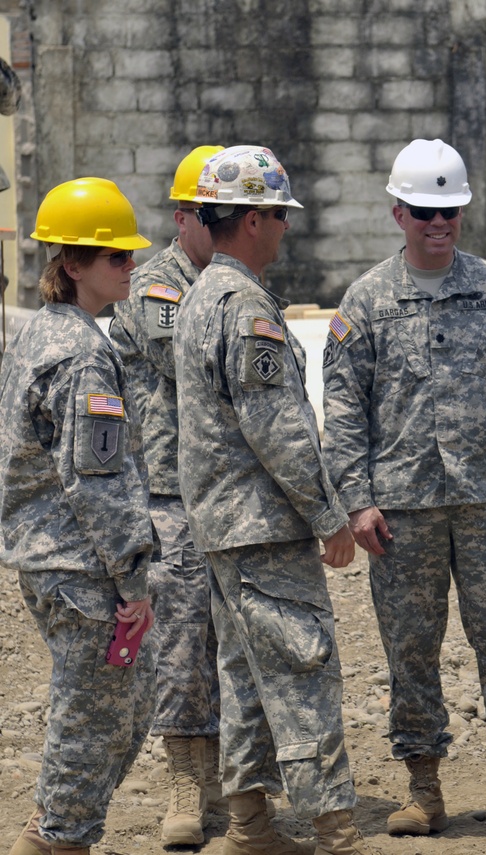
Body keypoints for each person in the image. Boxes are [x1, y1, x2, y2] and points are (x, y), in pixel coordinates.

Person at [322, 138, 486, 839]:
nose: (437, 223)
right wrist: (356, 499)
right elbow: (344, 409)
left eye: (449, 211)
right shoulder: (366, 302)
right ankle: (423, 785)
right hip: (400, 510)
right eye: (422, 211)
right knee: (411, 645)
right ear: (397, 213)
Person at [173, 144, 377, 855]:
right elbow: (278, 427)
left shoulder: (202, 296)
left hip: (224, 528)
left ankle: (250, 824)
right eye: (279, 216)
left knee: (247, 674)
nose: (286, 229)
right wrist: (329, 516)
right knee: (303, 664)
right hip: (260, 526)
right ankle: (335, 829)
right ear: (254, 218)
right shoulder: (244, 306)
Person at [1, 177, 156, 854]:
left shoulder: (39, 334)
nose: (130, 265)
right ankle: (60, 838)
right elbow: (98, 481)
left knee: (119, 701)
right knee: (91, 715)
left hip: (47, 551)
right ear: (72, 264)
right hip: (79, 560)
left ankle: (55, 826)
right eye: (115, 257)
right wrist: (132, 578)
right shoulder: (83, 352)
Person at [108, 145, 226, 845]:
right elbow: (196, 357)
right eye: (216, 216)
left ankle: (232, 784)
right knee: (182, 647)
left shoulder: (238, 284)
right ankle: (186, 783)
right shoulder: (154, 286)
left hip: (231, 493)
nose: (230, 226)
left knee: (234, 644)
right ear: (184, 218)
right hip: (171, 495)